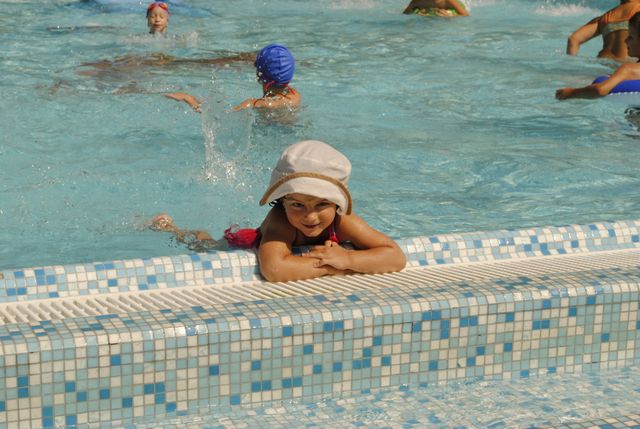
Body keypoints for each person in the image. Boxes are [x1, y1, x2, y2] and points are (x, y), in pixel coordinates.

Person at [149, 140, 407, 282]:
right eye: (297, 204)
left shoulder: (342, 221)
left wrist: (347, 259)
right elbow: (274, 269)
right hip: (246, 243)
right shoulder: (280, 220)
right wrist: (333, 266)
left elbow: (395, 257)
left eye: (321, 205)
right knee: (206, 245)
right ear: (282, 202)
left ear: (336, 204)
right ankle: (173, 228)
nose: (310, 216)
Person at [165, 43, 300, 113]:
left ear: (259, 74)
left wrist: (188, 98)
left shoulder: (255, 104)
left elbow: (221, 118)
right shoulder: (295, 96)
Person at [556, 12, 640, 100]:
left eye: (630, 37)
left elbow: (600, 90)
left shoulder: (628, 69)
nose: (626, 40)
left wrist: (570, 93)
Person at [566, 0, 640, 62]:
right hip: (622, 68)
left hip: (600, 64)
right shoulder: (637, 12)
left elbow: (573, 39)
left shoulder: (606, 17)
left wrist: (571, 64)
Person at [402, 0, 468, 17]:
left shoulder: (448, 1)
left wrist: (451, 16)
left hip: (455, 7)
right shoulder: (417, 2)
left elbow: (465, 14)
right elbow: (405, 14)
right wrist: (416, 14)